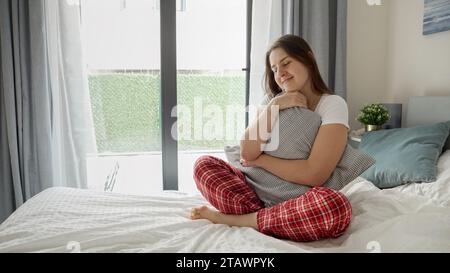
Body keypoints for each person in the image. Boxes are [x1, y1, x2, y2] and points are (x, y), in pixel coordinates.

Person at [190, 34, 351, 242]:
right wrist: (275, 106)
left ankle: (237, 220)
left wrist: (261, 160)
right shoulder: (270, 101)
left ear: (308, 59)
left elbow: (315, 174)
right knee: (203, 165)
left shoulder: (332, 105)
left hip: (298, 201)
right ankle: (267, 218)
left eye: (286, 63)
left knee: (336, 208)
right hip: (252, 193)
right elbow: (247, 152)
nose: (280, 73)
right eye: (274, 69)